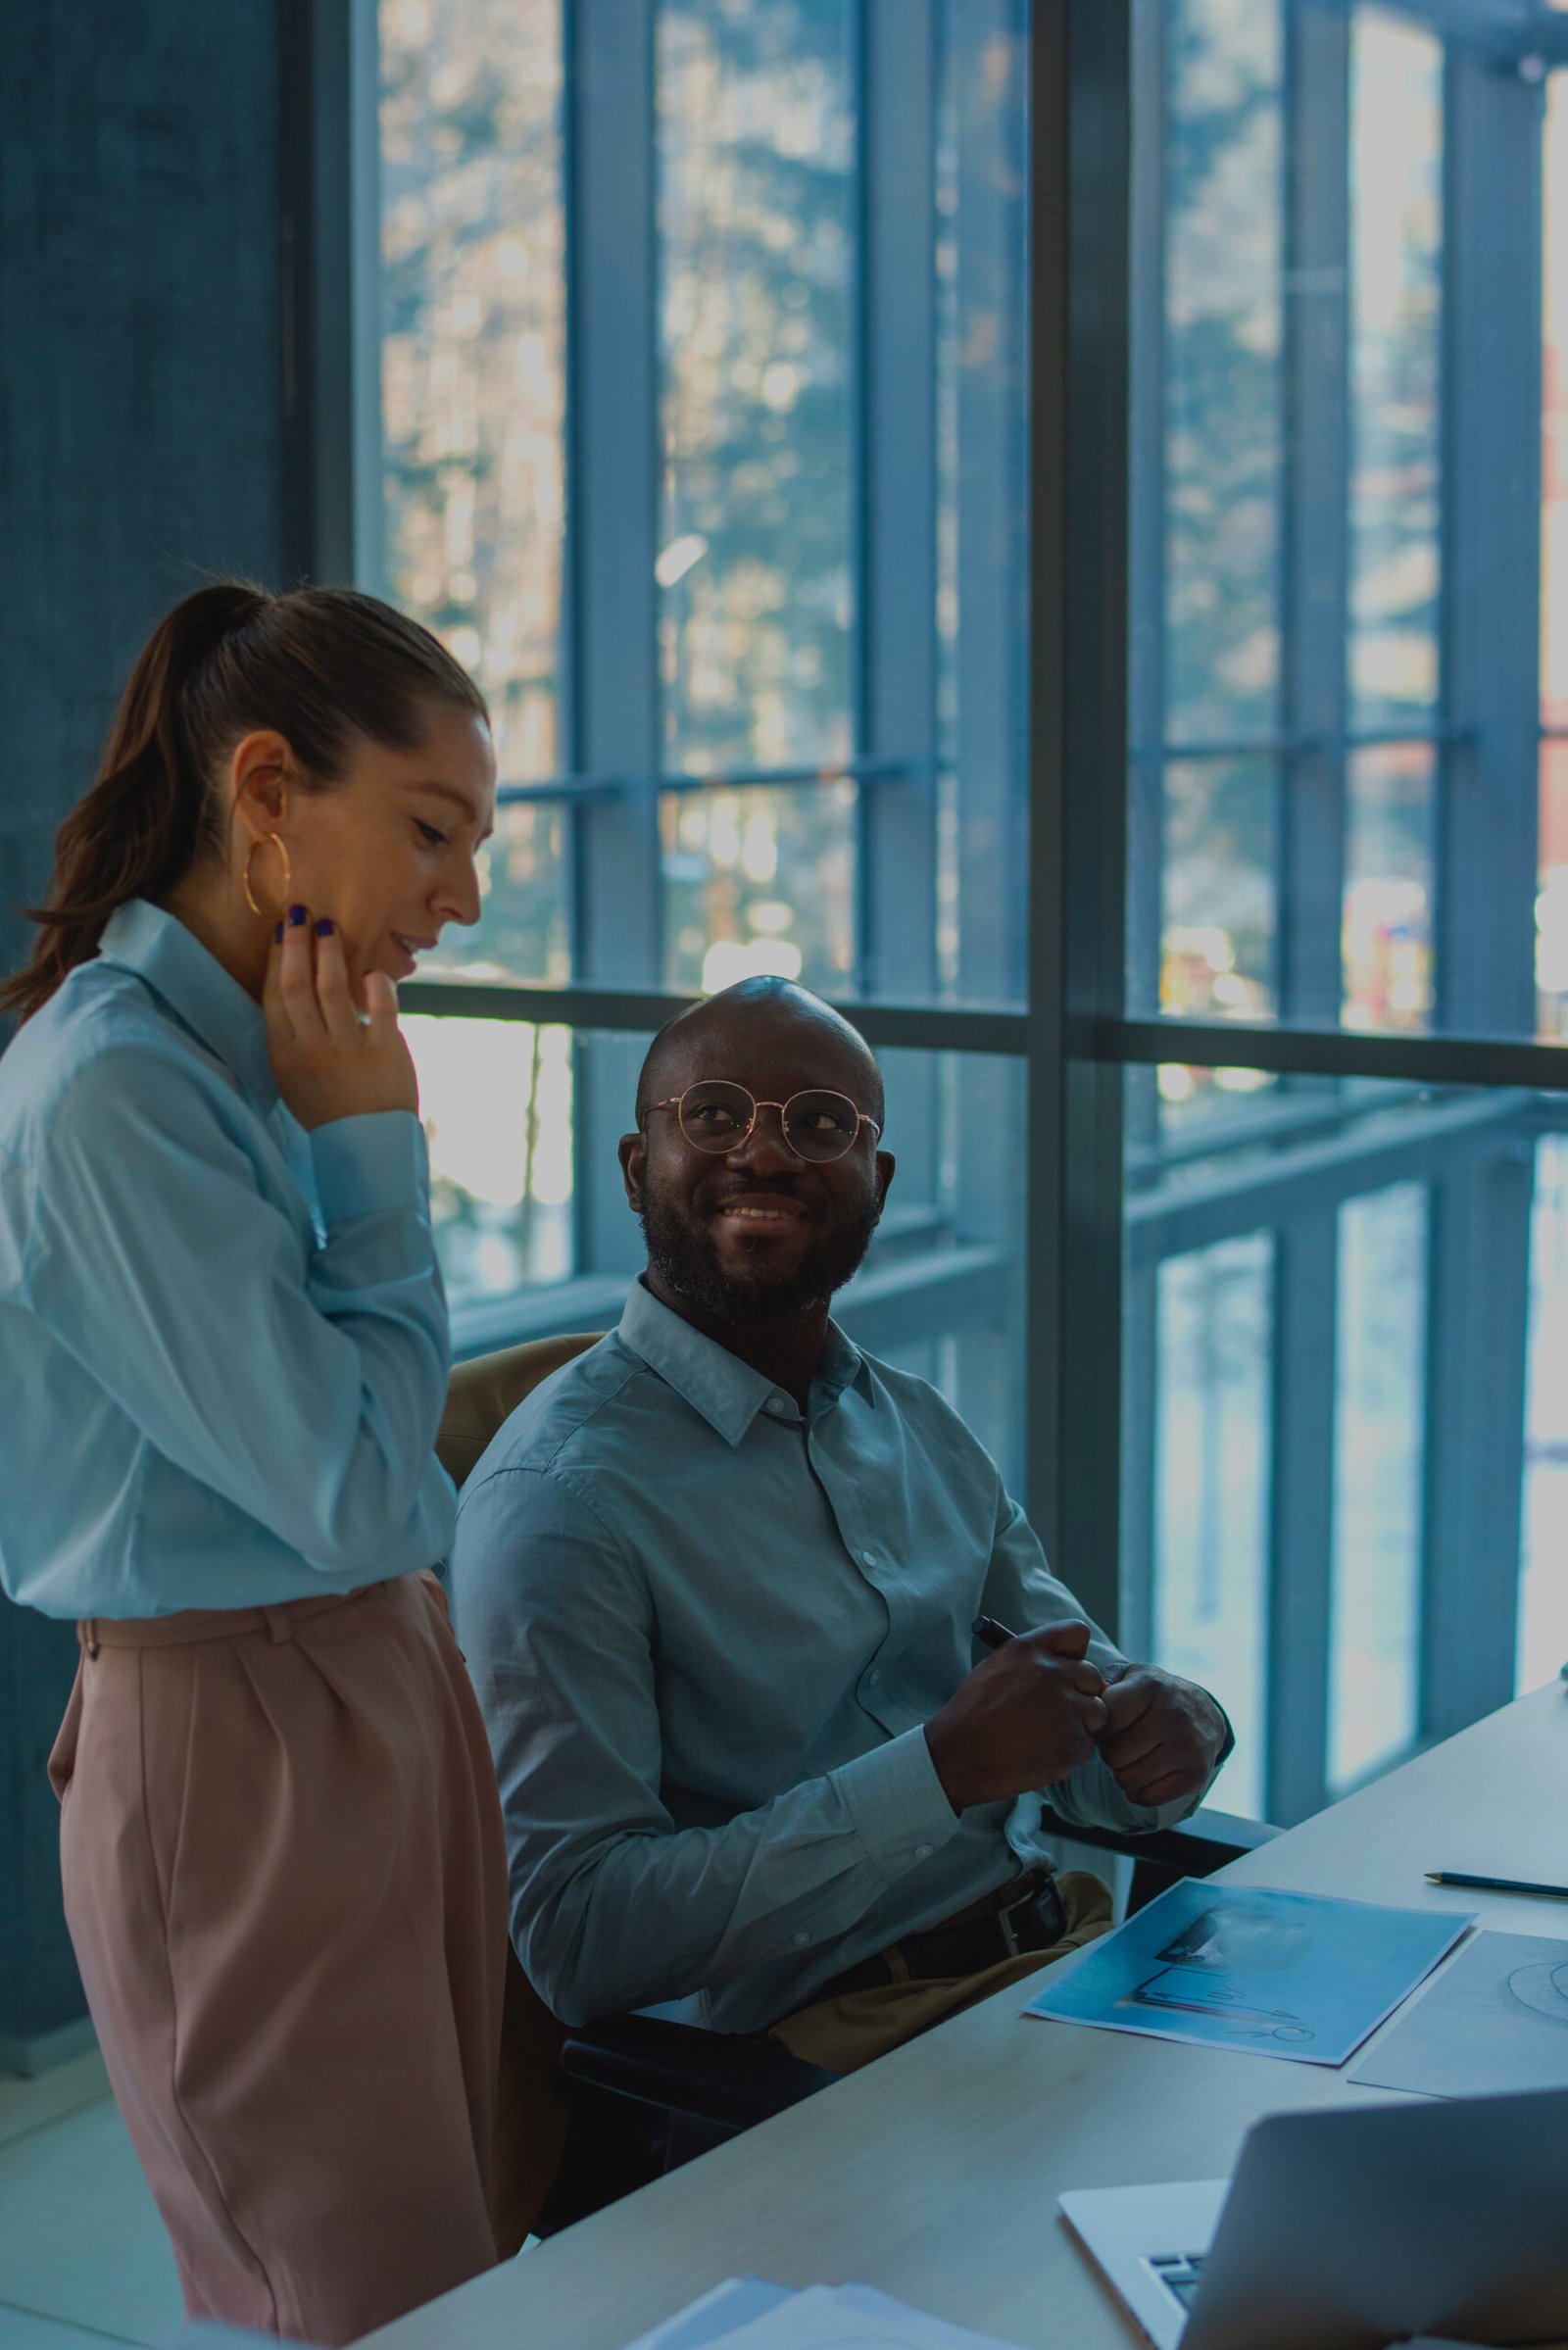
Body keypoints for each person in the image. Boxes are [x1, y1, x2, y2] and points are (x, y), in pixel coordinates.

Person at [0, 583, 508, 2345]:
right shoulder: (113, 1091)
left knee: (450, 2276)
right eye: (432, 830)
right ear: (270, 789)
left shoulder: (276, 1051)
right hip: (238, 1739)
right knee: (348, 2301)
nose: (464, 894)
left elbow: (368, 1471)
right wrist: (374, 1152)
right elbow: (359, 1487)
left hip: (378, 1687)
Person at [451, 977, 1232, 2077]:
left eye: (821, 1125)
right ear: (635, 1169)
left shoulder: (915, 1423)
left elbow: (1089, 1740)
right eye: (713, 1115)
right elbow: (575, 1940)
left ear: (876, 1181)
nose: (766, 1155)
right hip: (819, 2067)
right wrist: (940, 1772)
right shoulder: (560, 1498)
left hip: (1061, 1969)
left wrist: (1177, 1726)